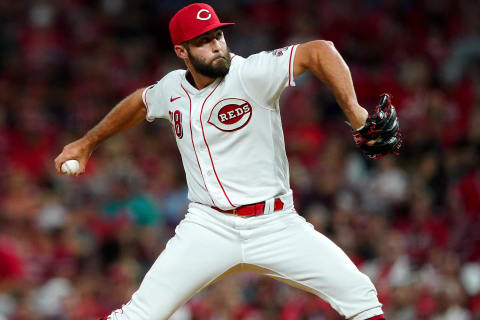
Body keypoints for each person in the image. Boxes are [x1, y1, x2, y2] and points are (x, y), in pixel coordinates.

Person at [55, 3, 395, 319]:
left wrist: (355, 112)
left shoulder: (251, 74)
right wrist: (88, 143)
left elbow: (319, 51)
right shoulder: (173, 87)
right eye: (203, 41)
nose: (217, 45)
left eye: (218, 34)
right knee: (139, 314)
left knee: (359, 294)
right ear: (181, 52)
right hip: (207, 227)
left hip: (274, 224)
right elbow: (141, 103)